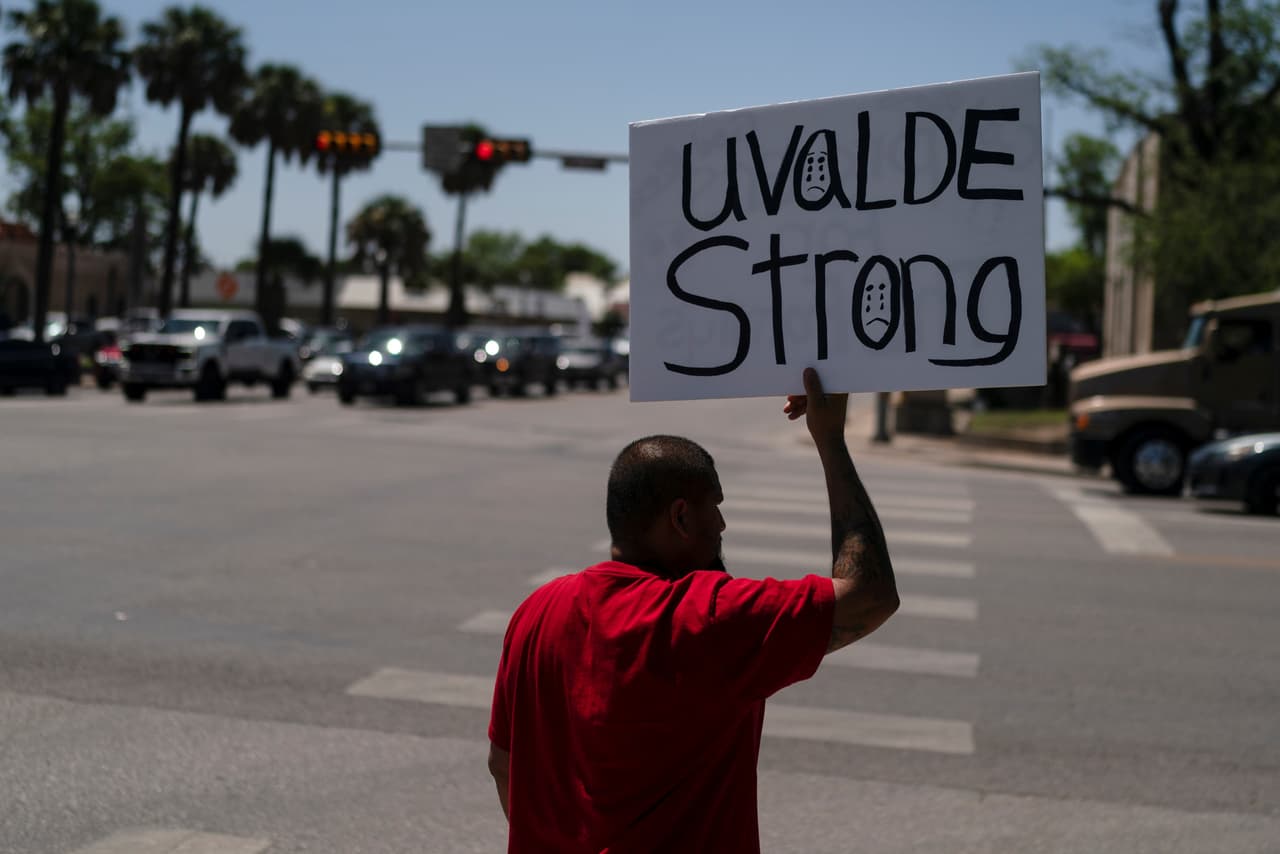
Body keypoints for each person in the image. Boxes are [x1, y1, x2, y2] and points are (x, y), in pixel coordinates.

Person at [487, 367, 900, 853]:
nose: (723, 523)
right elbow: (870, 594)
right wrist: (830, 441)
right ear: (681, 517)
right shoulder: (707, 616)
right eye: (715, 507)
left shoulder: (537, 611)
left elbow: (503, 764)